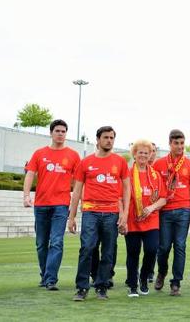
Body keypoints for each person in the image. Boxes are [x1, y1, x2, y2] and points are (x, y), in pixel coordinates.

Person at [68, 126, 130, 301]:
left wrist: (124, 214)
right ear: (98, 139)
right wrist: (71, 217)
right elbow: (77, 191)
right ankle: (82, 287)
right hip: (90, 212)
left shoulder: (120, 162)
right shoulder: (85, 163)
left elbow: (127, 188)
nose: (109, 140)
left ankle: (102, 286)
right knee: (87, 248)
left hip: (112, 212)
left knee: (108, 251)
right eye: (106, 137)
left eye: (112, 138)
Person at [23, 119, 80, 290]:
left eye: (63, 131)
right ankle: (45, 275)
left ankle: (50, 280)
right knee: (41, 244)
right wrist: (26, 195)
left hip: (61, 205)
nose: (60, 134)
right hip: (40, 205)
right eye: (57, 131)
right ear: (51, 133)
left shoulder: (73, 155)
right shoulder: (39, 153)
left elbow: (79, 181)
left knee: (56, 242)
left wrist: (79, 205)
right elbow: (30, 174)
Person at [152, 129, 190, 296]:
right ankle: (162, 272)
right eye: (176, 143)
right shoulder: (158, 164)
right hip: (164, 210)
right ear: (170, 144)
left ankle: (176, 282)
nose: (180, 146)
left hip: (183, 209)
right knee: (164, 246)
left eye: (182, 143)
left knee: (180, 246)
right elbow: (154, 186)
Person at [124, 140, 167, 297]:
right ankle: (132, 284)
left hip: (151, 220)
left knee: (151, 250)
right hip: (132, 220)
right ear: (134, 154)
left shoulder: (155, 175)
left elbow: (163, 198)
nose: (143, 155)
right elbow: (121, 197)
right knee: (133, 253)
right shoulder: (127, 174)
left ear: (150, 155)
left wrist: (151, 207)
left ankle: (143, 278)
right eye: (140, 152)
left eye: (146, 153)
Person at [147, 142, 158, 283]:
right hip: (138, 212)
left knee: (154, 245)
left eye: (153, 150)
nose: (151, 153)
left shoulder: (158, 170)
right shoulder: (135, 169)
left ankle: (150, 271)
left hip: (156, 212)